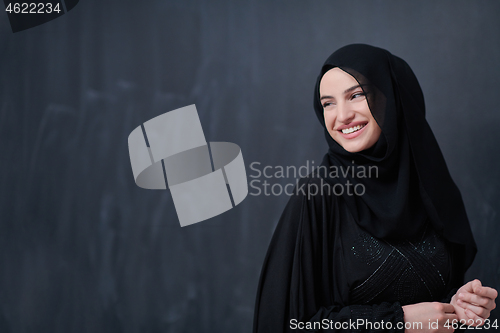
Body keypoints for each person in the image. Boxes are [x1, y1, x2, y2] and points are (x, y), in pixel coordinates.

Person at [252, 44, 497, 333]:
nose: (341, 116)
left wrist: (456, 305)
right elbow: (288, 324)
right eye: (328, 103)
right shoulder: (318, 195)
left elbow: (433, 307)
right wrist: (398, 322)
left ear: (392, 98)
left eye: (356, 95)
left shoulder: (432, 188)